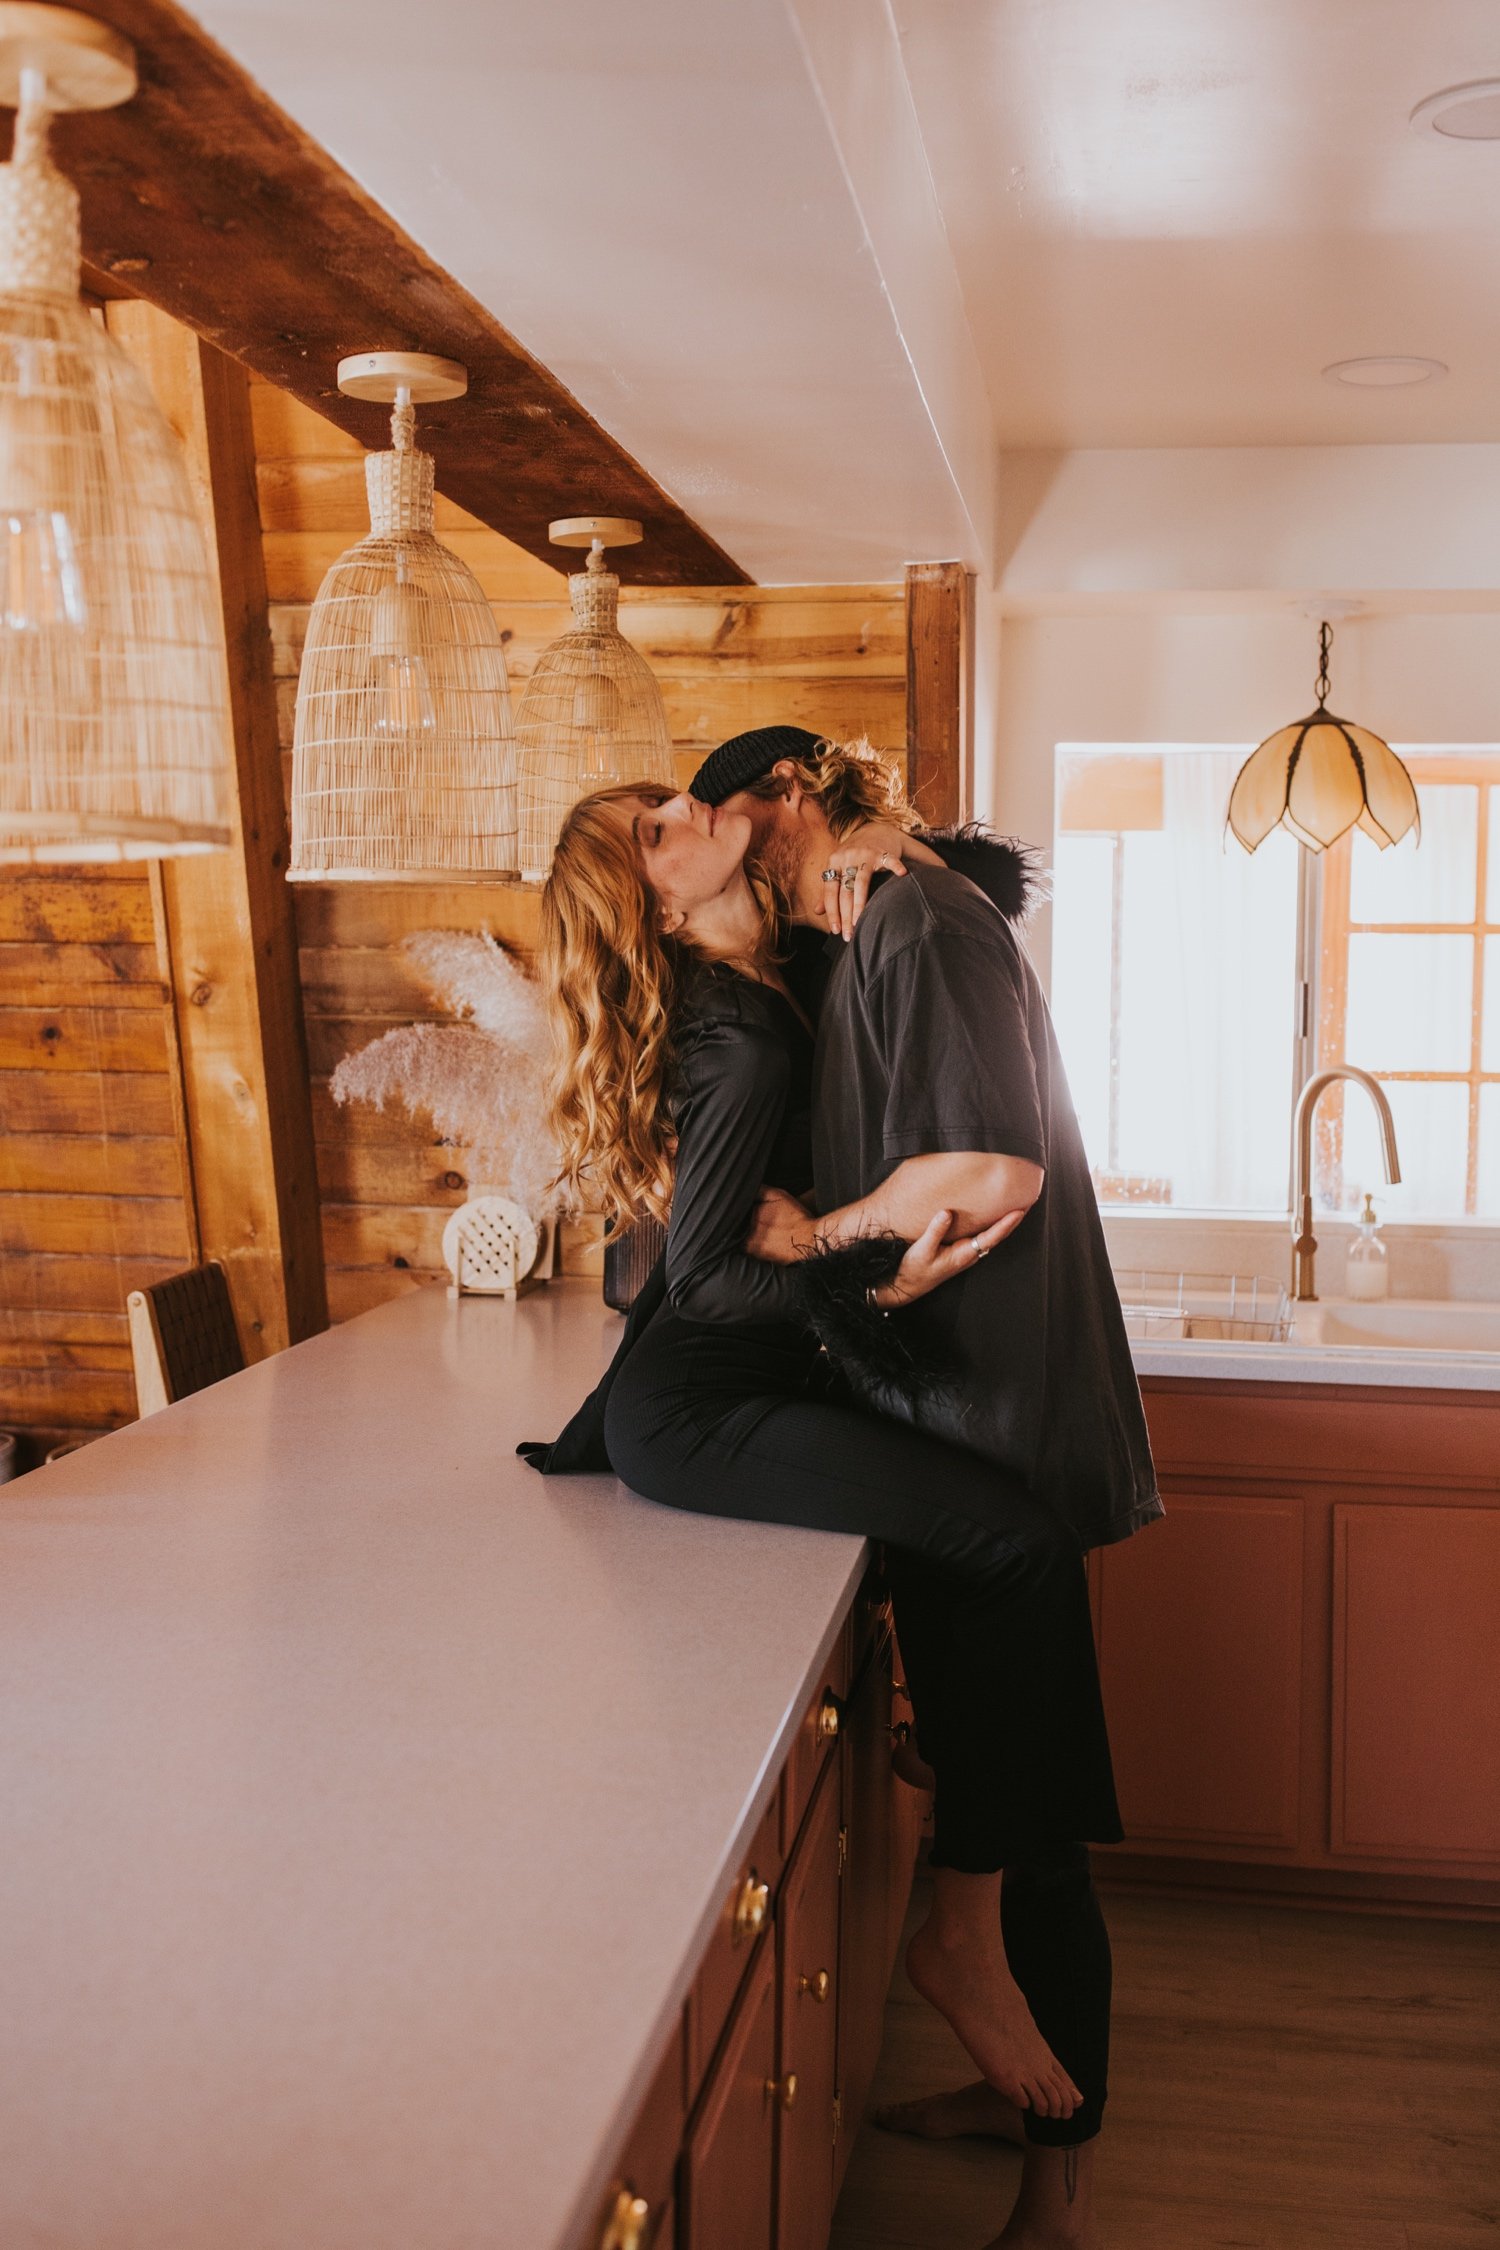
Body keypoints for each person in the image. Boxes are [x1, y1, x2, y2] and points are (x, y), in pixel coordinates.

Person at [526, 765, 1141, 2250]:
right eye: (653, 827)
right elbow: (716, 1279)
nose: (690, 804)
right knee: (1011, 1544)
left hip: (774, 1380)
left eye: (675, 792)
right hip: (709, 1409)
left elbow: (920, 908)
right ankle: (962, 1924)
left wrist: (898, 850)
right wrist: (867, 1241)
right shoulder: (732, 1033)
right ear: (653, 904)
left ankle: (981, 1910)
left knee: (1010, 1560)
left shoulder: (796, 962)